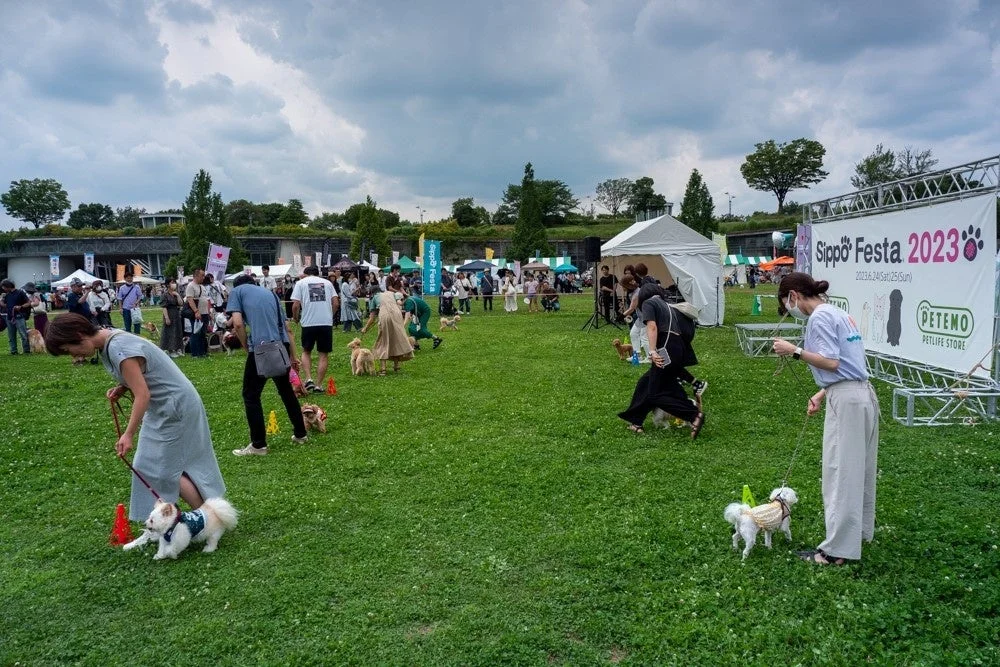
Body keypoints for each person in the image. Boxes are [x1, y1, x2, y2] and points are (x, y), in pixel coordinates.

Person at [43, 313, 226, 523]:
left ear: (78, 334)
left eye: (68, 350)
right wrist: (123, 386)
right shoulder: (107, 343)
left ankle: (209, 521)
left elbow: (143, 394)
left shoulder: (117, 347)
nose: (73, 356)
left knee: (168, 470)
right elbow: (141, 373)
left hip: (174, 407)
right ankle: (199, 518)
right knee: (147, 466)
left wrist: (128, 435)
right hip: (164, 406)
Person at [772, 272, 879, 566]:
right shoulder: (838, 312)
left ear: (793, 295)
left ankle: (835, 552)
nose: (789, 311)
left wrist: (794, 351)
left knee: (840, 473)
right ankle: (856, 534)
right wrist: (821, 393)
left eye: (786, 304)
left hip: (848, 400)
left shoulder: (818, 317)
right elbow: (848, 363)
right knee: (860, 471)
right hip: (861, 394)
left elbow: (831, 361)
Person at [227, 274, 308, 456]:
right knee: (286, 391)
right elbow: (286, 327)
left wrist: (246, 346)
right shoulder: (269, 293)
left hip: (261, 348)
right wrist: (292, 356)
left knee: (251, 395)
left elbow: (238, 324)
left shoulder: (237, 292)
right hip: (281, 345)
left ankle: (258, 445)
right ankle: (300, 434)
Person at [618, 283, 705, 439]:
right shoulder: (669, 306)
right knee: (646, 382)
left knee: (655, 393)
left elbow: (652, 327)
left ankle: (693, 415)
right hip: (678, 349)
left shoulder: (649, 303)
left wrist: (652, 351)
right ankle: (636, 421)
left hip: (665, 348)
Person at [291, 265, 336, 394]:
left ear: (306, 274)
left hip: (308, 323)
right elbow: (336, 302)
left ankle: (309, 378)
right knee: (323, 354)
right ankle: (319, 385)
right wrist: (330, 315)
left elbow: (295, 305)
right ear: (318, 273)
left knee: (306, 351)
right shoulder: (327, 283)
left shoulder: (301, 283)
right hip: (325, 323)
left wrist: (295, 318)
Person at [361, 291, 414, 375]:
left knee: (383, 341)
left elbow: (372, 317)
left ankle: (383, 369)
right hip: (397, 314)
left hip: (385, 315)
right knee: (396, 339)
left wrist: (365, 328)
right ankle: (396, 366)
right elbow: (398, 302)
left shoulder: (375, 297)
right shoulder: (391, 293)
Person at [184, 268, 210, 358]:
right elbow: (190, 299)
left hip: (204, 312)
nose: (203, 277)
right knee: (195, 333)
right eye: (202, 275)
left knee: (202, 333)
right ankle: (195, 353)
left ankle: (202, 352)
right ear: (196, 276)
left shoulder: (202, 286)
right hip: (197, 313)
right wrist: (196, 311)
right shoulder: (191, 286)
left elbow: (205, 299)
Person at [2, 279, 31, 354]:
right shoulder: (7, 295)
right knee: (11, 336)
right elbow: (5, 305)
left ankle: (26, 350)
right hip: (9, 318)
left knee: (23, 335)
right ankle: (14, 351)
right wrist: (1, 300)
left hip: (19, 317)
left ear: (8, 286)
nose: (3, 289)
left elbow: (28, 303)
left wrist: (20, 306)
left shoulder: (20, 293)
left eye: (4, 287)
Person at [159, 277, 185, 357]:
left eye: (174, 282)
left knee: (177, 331)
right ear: (167, 284)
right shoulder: (165, 295)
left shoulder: (176, 293)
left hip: (176, 314)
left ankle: (178, 348)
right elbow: (164, 307)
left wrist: (177, 295)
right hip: (169, 313)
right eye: (172, 282)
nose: (173, 284)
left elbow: (181, 303)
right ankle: (170, 350)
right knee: (169, 332)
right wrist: (166, 318)